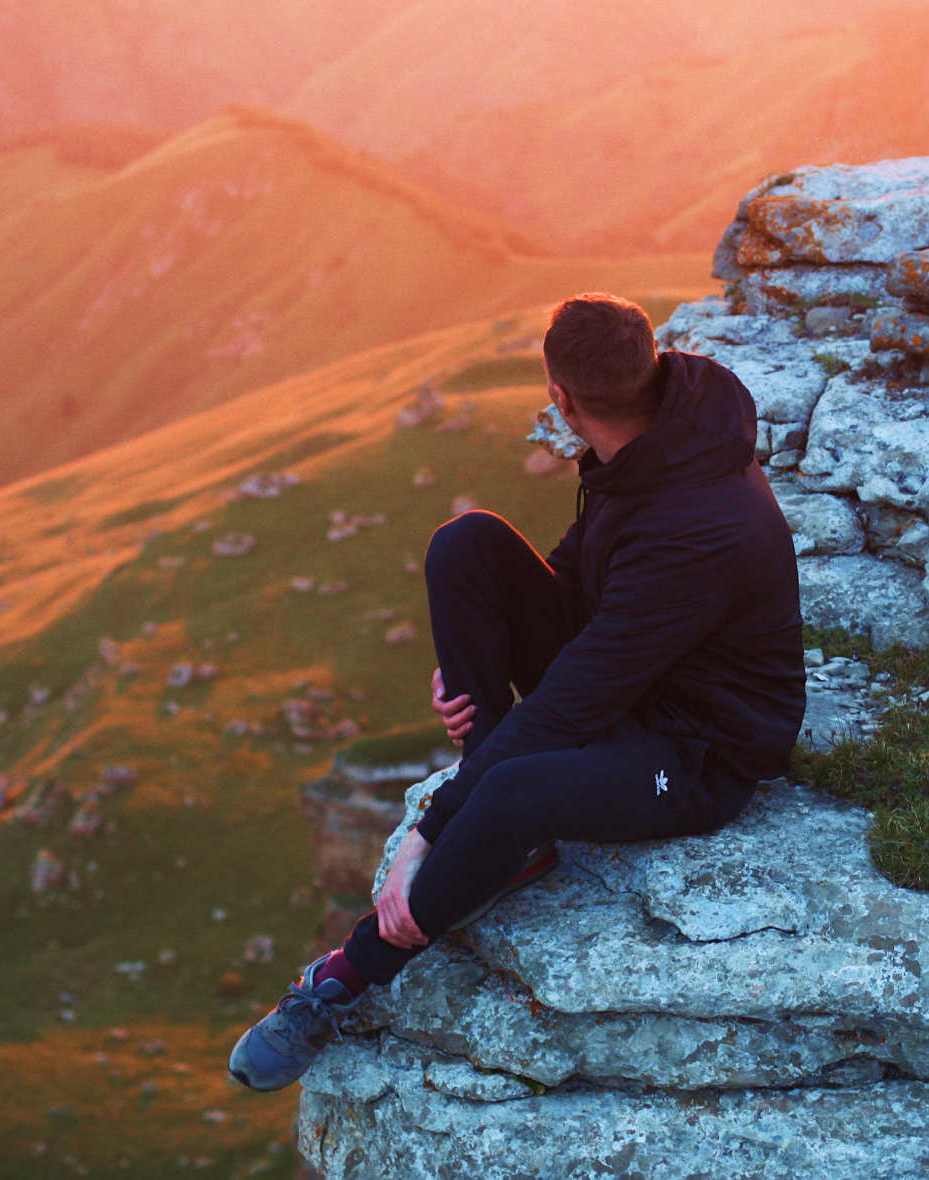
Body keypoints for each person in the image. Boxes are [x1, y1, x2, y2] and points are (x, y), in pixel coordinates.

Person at [228, 293, 805, 1091]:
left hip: (697, 748)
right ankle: (503, 834)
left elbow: (574, 701)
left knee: (507, 792)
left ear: (560, 397)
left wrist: (427, 834)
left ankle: (351, 974)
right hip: (633, 675)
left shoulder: (696, 531)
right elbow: (576, 575)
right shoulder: (652, 435)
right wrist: (483, 655)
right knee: (466, 548)